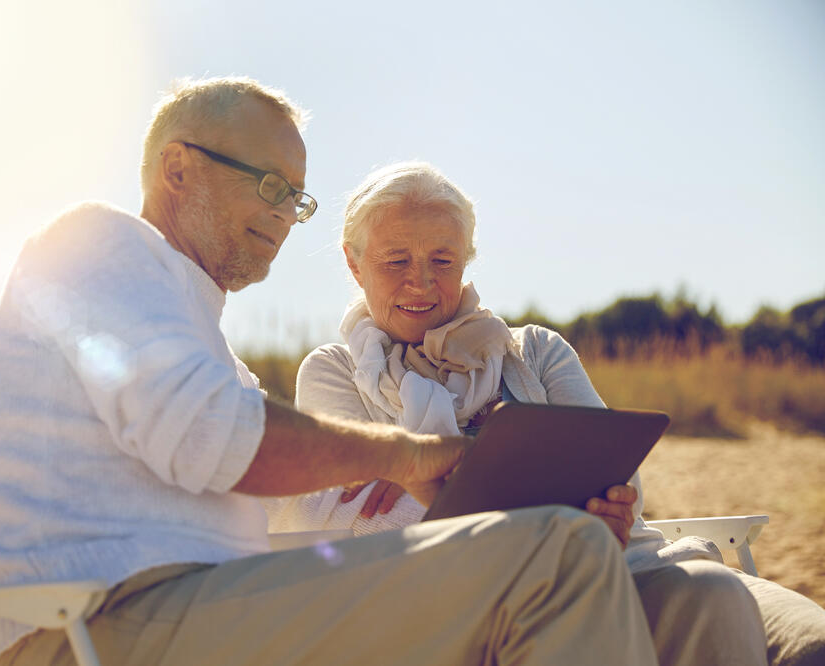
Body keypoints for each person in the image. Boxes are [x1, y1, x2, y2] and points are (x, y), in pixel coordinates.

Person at [0, 77, 661, 665]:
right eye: (269, 185)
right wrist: (416, 454)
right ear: (178, 169)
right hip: (99, 626)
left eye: (297, 196)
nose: (287, 215)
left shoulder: (201, 337)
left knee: (563, 569)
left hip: (207, 612)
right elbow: (217, 438)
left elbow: (237, 460)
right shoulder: (94, 242)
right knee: (559, 555)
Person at [272, 160, 825, 666]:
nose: (421, 281)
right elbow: (345, 516)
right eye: (396, 260)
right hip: (467, 601)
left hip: (621, 562)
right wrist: (549, 522)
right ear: (354, 263)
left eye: (443, 260)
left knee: (768, 620)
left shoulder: (535, 350)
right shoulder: (335, 372)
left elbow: (618, 474)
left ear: (466, 261)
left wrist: (606, 505)